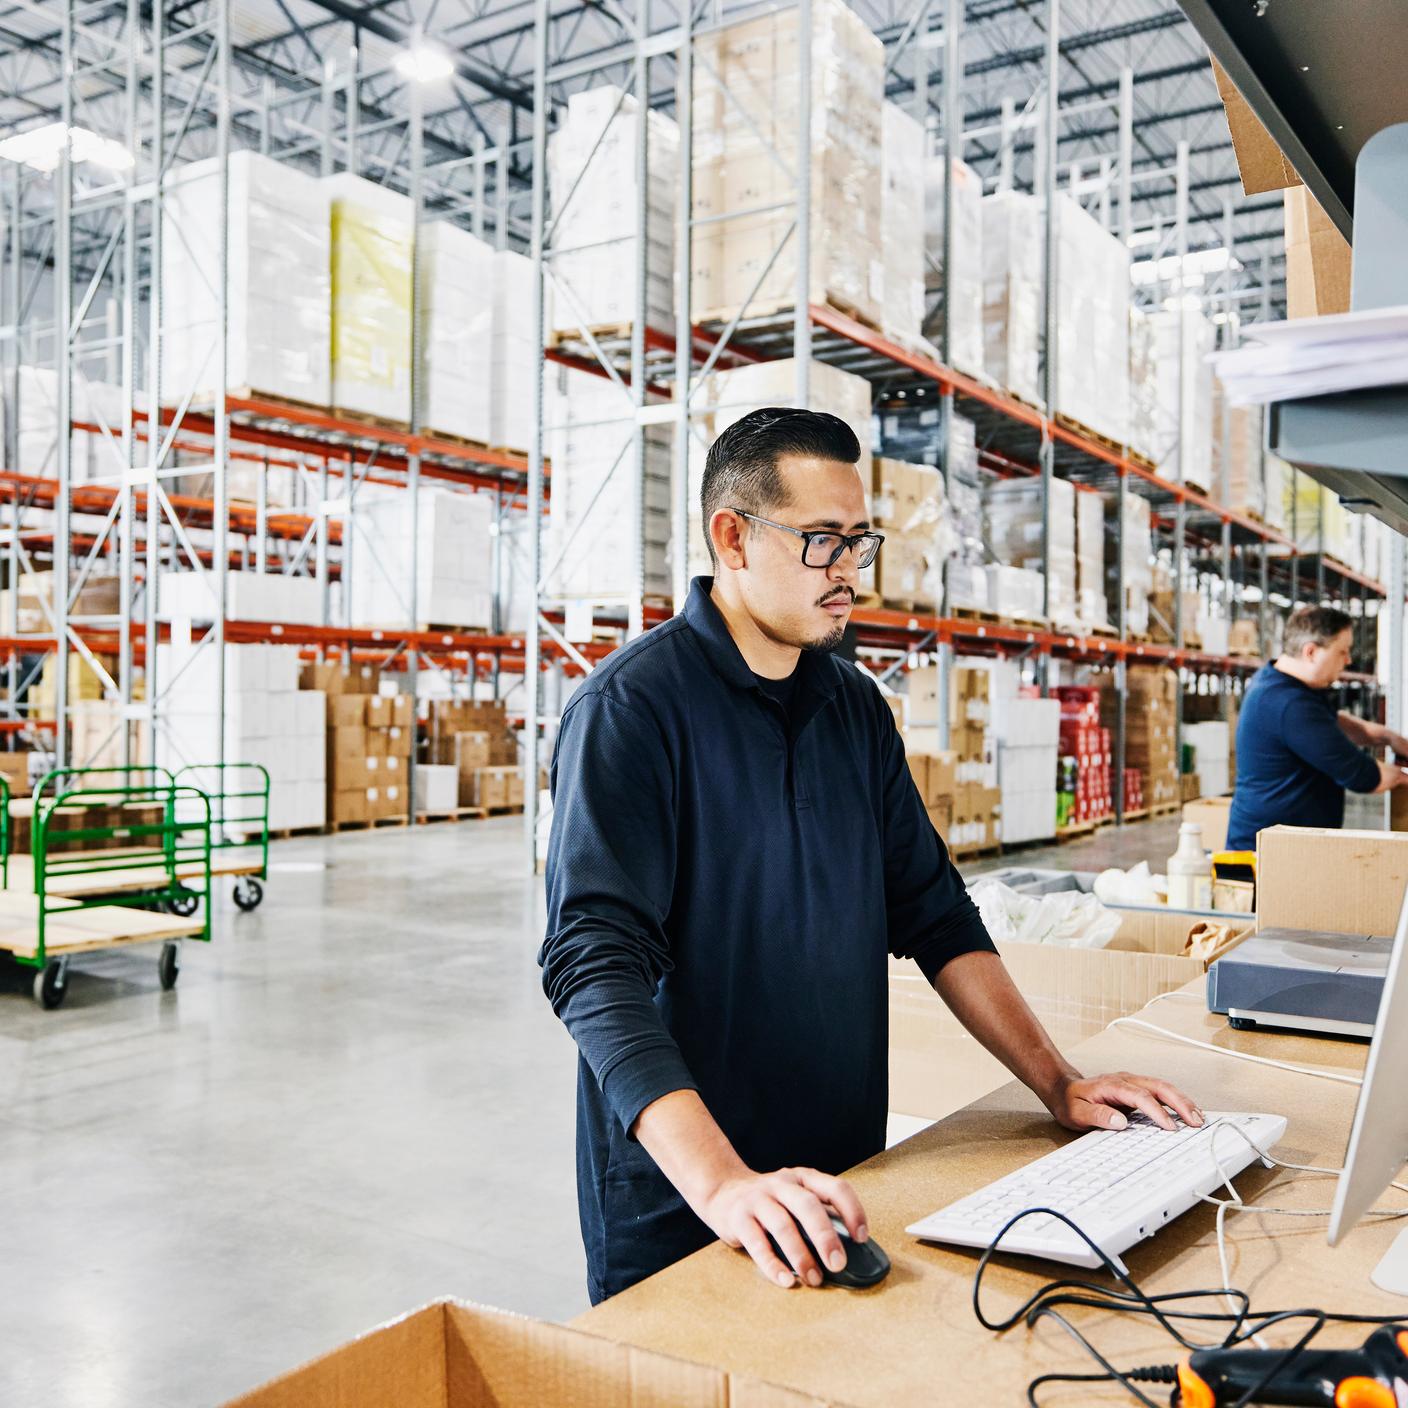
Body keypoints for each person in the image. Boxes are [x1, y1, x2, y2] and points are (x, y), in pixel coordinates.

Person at [539, 407, 1203, 1307]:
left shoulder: (854, 710)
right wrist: (724, 1184)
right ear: (731, 538)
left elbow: (934, 911)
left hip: (846, 1178)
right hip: (689, 1200)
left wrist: (1060, 1083)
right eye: (822, 542)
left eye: (859, 541)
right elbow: (594, 967)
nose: (850, 572)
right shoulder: (632, 711)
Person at [1226, 604, 1408, 852]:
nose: (1348, 660)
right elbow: (1365, 777)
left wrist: (1388, 737)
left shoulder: (1280, 681)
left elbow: (1333, 722)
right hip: (1269, 856)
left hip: (1288, 846)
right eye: (1341, 652)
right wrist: (1402, 776)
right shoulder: (1289, 705)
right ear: (1310, 652)